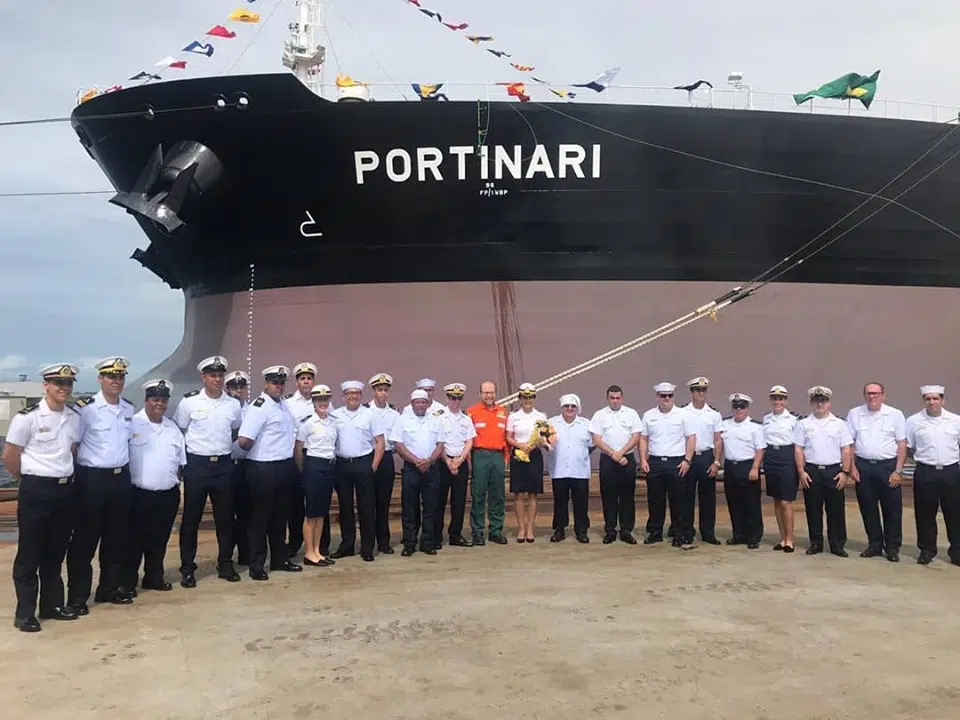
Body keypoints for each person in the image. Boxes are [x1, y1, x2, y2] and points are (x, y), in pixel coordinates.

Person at [4, 363, 82, 632]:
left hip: (65, 491)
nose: (64, 388)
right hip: (36, 490)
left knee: (55, 552)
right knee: (30, 554)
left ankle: (52, 605)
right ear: (46, 386)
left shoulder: (74, 417)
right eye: (58, 383)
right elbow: (10, 456)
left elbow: (72, 450)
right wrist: (28, 480)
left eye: (68, 383)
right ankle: (25, 613)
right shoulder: (28, 418)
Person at [67, 356, 136, 612]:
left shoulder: (128, 409)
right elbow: (73, 446)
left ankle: (108, 589)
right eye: (111, 377)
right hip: (92, 480)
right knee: (85, 541)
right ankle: (77, 598)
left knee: (116, 539)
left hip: (120, 479)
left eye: (120, 376)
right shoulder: (86, 409)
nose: (116, 381)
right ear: (100, 379)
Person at [173, 356, 243, 588]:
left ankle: (225, 564)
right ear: (203, 377)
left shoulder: (233, 404)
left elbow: (235, 429)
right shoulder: (189, 402)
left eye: (220, 375)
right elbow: (179, 429)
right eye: (213, 375)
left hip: (223, 465)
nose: (217, 379)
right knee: (191, 519)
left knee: (225, 518)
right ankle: (187, 568)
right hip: (197, 465)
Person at [237, 365, 303, 579]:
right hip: (263, 468)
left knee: (280, 516)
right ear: (266, 384)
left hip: (283, 466)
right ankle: (257, 565)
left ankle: (279, 560)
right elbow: (244, 440)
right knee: (260, 518)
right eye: (275, 383)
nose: (279, 387)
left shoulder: (283, 404)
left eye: (282, 383)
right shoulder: (260, 406)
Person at [122, 379, 185, 594]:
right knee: (134, 541)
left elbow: (180, 461)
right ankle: (128, 583)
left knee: (159, 540)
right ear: (146, 400)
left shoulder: (172, 428)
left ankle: (154, 577)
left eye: (163, 400)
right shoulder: (132, 424)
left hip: (167, 494)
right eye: (155, 399)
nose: (160, 404)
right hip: (139, 494)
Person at [846, 382, 907, 562]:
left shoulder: (895, 414)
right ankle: (875, 544)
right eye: (869, 393)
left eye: (876, 393)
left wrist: (898, 471)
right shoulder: (854, 414)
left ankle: (892, 547)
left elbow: (902, 444)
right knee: (868, 507)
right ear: (864, 395)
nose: (872, 396)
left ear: (883, 395)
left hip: (887, 467)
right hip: (863, 467)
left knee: (892, 510)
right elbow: (850, 443)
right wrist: (852, 467)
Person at [794, 386, 854, 557]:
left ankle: (837, 545)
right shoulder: (803, 424)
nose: (820, 404)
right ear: (811, 403)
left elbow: (846, 449)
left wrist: (845, 472)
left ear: (829, 403)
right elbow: (798, 449)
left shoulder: (839, 424)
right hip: (812, 471)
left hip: (834, 471)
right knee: (813, 509)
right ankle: (816, 543)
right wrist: (801, 471)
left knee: (836, 510)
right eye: (816, 400)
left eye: (823, 400)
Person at [905, 384, 960, 566]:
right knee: (925, 513)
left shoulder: (955, 420)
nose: (932, 402)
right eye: (928, 399)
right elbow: (910, 447)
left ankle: (957, 551)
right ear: (923, 401)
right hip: (925, 471)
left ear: (943, 400)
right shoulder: (913, 421)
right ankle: (927, 550)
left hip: (951, 471)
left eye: (936, 398)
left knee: (955, 513)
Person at [331, 380, 385, 561]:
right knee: (345, 507)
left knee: (366, 507)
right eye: (349, 393)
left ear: (361, 395)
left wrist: (373, 466)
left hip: (364, 463)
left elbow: (380, 442)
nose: (353, 396)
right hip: (342, 464)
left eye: (356, 393)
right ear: (343, 396)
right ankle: (347, 545)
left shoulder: (370, 415)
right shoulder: (335, 415)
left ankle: (367, 548)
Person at [640, 382, 696, 548]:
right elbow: (643, 439)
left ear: (673, 396)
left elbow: (691, 438)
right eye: (663, 395)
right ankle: (655, 532)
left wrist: (687, 460)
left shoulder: (683, 415)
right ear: (657, 396)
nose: (666, 398)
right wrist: (643, 460)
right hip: (655, 462)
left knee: (678, 501)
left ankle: (678, 534)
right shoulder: (649, 415)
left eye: (669, 395)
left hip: (676, 462)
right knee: (655, 500)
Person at [390, 389, 444, 555]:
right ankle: (409, 543)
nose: (420, 405)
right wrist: (416, 461)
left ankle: (427, 543)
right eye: (417, 402)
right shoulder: (402, 420)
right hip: (411, 469)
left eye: (423, 402)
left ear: (427, 404)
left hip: (431, 468)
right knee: (409, 508)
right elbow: (398, 445)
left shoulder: (436, 420)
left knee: (431, 507)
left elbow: (440, 444)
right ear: (412, 403)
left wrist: (429, 460)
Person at [589, 385, 643, 544]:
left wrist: (622, 453)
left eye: (618, 398)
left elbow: (636, 437)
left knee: (627, 496)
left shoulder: (631, 413)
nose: (615, 401)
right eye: (612, 398)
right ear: (607, 398)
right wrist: (614, 454)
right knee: (609, 496)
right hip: (608, 460)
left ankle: (626, 531)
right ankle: (610, 530)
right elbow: (596, 440)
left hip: (627, 458)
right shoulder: (599, 415)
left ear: (622, 398)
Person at [294, 384, 337, 567]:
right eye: (319, 400)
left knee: (321, 513)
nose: (323, 403)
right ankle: (309, 553)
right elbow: (298, 450)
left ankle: (317, 551)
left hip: (328, 467)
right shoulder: (307, 423)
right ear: (313, 402)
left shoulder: (333, 422)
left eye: (325, 399)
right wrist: (303, 472)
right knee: (311, 513)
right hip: (313, 467)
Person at [678, 377, 723, 545]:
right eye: (697, 390)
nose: (701, 393)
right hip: (688, 458)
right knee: (686, 497)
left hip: (706, 457)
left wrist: (716, 462)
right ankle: (687, 532)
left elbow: (718, 440)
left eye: (703, 390)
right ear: (692, 392)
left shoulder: (714, 414)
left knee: (708, 498)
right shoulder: (682, 412)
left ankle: (708, 533)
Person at [718, 393, 765, 548]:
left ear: (747, 408)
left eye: (742, 406)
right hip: (731, 466)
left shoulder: (755, 427)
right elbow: (719, 444)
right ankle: (738, 534)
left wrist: (755, 468)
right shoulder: (725, 424)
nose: (738, 409)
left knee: (751, 503)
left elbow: (760, 449)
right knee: (734, 503)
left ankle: (753, 537)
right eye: (736, 406)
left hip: (748, 466)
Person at [506, 383, 551, 542]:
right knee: (518, 493)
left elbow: (545, 438)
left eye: (530, 397)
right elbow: (508, 437)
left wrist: (539, 443)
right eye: (524, 397)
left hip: (534, 455)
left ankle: (530, 527)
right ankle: (521, 528)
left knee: (533, 493)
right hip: (519, 455)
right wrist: (520, 445)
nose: (527, 400)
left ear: (534, 398)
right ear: (520, 398)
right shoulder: (513, 416)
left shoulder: (541, 417)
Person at [466, 381, 509, 545]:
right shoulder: (472, 412)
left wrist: (505, 458)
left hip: (498, 456)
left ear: (495, 394)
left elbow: (507, 437)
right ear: (480, 394)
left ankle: (495, 531)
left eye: (491, 392)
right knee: (478, 495)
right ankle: (477, 532)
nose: (489, 395)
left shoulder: (503, 412)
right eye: (486, 392)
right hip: (480, 455)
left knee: (497, 495)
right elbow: (467, 438)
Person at [548, 393, 593, 543]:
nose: (569, 408)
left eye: (573, 406)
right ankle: (559, 530)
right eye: (566, 406)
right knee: (560, 502)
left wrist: (580, 455)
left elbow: (592, 444)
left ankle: (581, 531)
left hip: (579, 470)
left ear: (577, 408)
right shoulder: (551, 423)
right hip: (559, 470)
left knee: (581, 503)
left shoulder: (586, 424)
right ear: (562, 407)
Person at [284, 361, 318, 558]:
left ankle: (321, 543)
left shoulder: (321, 400)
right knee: (295, 503)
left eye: (309, 378)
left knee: (317, 500)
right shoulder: (288, 404)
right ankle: (295, 542)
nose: (306, 382)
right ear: (297, 383)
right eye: (303, 378)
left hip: (316, 457)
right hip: (296, 456)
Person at [435, 383, 476, 548]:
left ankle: (456, 535)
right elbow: (437, 442)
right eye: (453, 398)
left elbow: (469, 441)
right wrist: (447, 460)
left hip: (460, 461)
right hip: (443, 462)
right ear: (447, 398)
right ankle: (436, 536)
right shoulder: (438, 417)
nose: (456, 401)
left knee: (459, 501)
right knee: (439, 500)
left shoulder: (466, 419)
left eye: (459, 398)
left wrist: (460, 459)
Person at [762, 385, 801, 552]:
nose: (778, 401)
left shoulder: (793, 420)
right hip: (771, 457)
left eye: (781, 399)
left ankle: (790, 539)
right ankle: (783, 538)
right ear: (771, 400)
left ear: (785, 400)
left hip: (787, 458)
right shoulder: (766, 419)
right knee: (777, 500)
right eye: (775, 398)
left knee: (786, 501)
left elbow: (798, 444)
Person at [366, 372, 400, 553]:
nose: (383, 393)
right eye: (380, 390)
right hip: (368, 457)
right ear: (374, 391)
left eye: (386, 390)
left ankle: (383, 542)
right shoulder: (365, 411)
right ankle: (368, 543)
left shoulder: (394, 414)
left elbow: (396, 440)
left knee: (384, 502)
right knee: (367, 502)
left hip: (386, 459)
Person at [224, 370, 251, 565]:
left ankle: (245, 554)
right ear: (227, 388)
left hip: (246, 466)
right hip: (226, 465)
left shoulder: (253, 409)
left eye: (242, 386)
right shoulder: (222, 408)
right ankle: (226, 556)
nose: (238, 390)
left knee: (246, 512)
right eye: (234, 386)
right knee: (226, 513)